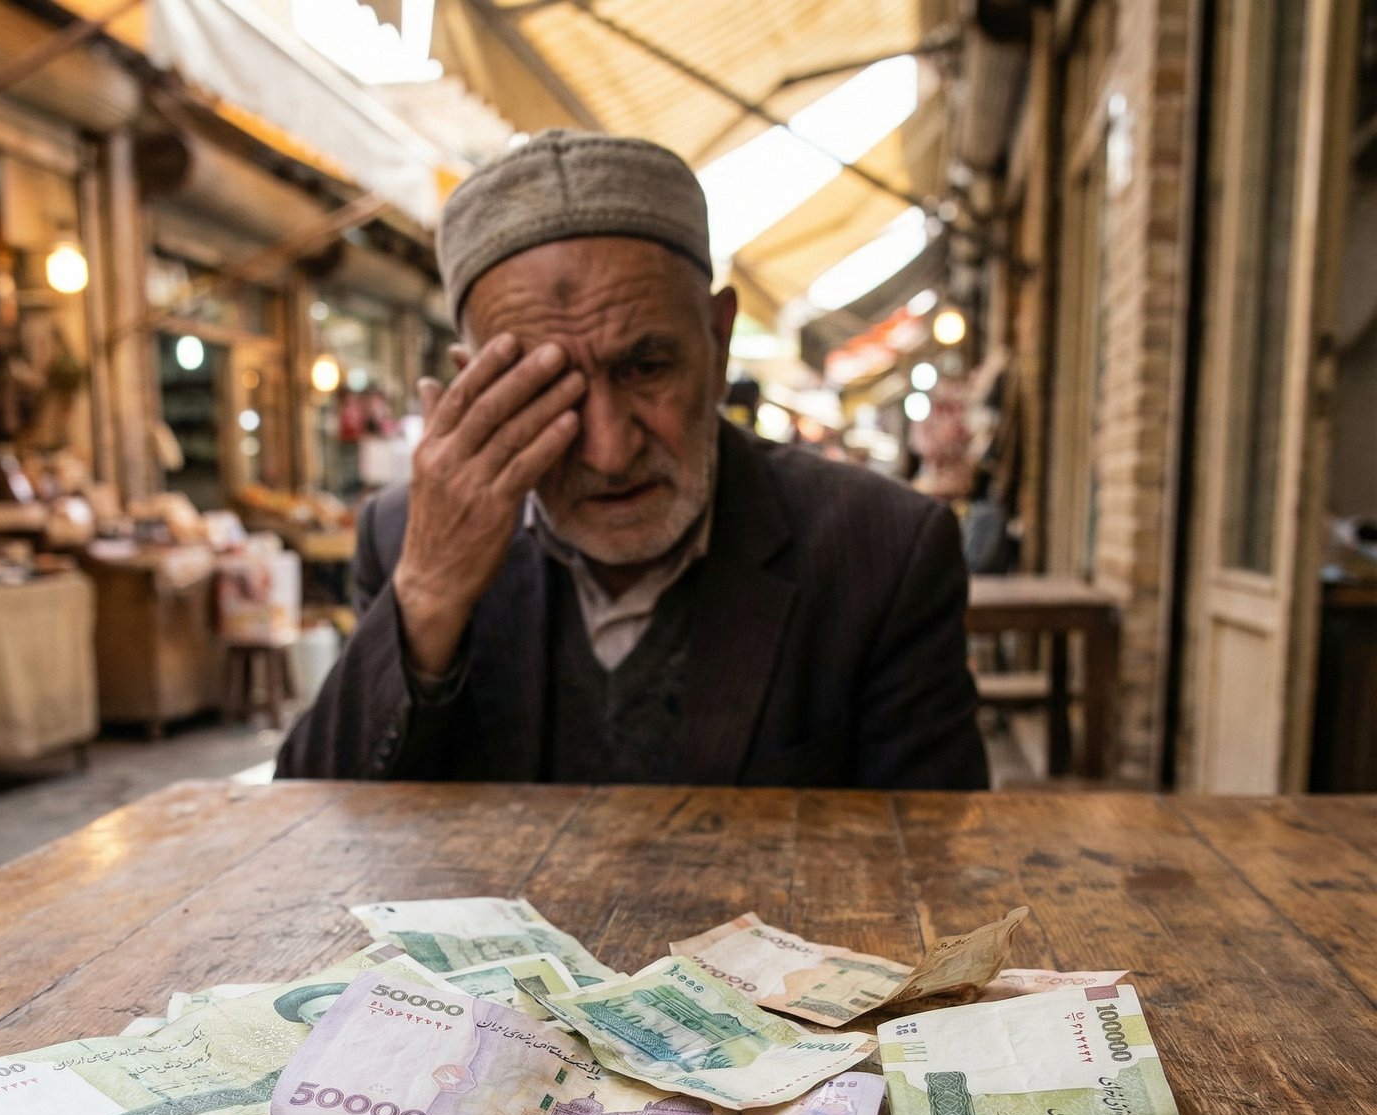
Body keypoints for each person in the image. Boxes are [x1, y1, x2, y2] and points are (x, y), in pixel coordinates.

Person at [276, 131, 988, 788]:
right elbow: (310, 833)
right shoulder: (407, 542)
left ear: (718, 342)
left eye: (646, 367)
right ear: (473, 384)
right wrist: (428, 595)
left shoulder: (882, 551)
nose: (609, 452)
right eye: (546, 389)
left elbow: (926, 876)